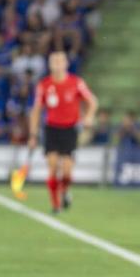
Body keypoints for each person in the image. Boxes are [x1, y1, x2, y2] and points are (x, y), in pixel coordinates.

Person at [28, 51, 97, 213]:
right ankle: (55, 204)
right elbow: (36, 110)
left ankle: (65, 190)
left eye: (60, 61)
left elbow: (92, 101)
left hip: (70, 129)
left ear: (66, 64)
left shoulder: (76, 83)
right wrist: (33, 135)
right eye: (54, 62)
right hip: (51, 129)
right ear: (50, 65)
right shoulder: (44, 85)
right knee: (52, 167)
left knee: (67, 171)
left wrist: (89, 117)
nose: (58, 65)